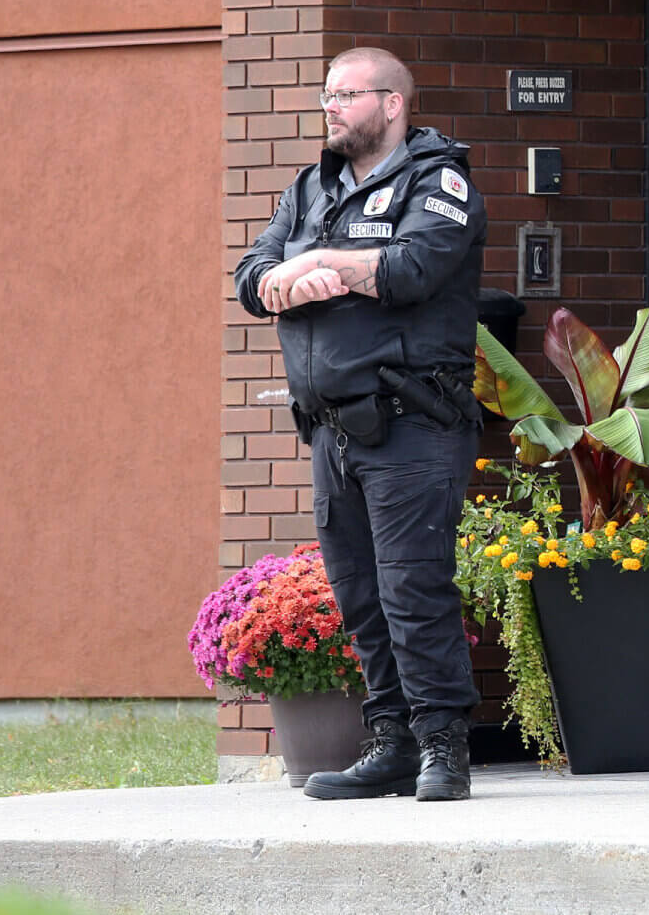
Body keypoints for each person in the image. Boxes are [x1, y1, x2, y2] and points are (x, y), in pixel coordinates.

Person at [234, 48, 489, 802]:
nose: (332, 107)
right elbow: (253, 274)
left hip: (413, 423)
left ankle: (444, 747)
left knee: (414, 591)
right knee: (360, 596)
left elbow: (411, 270)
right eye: (327, 96)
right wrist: (280, 277)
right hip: (333, 430)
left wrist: (322, 265)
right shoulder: (309, 188)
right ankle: (392, 744)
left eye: (347, 95)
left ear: (392, 103)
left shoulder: (437, 182)